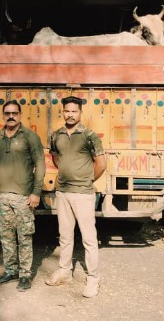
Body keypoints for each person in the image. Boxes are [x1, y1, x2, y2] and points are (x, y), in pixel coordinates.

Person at [45, 96, 106, 298]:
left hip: (83, 194)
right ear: (62, 112)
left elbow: (101, 164)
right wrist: (67, 174)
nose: (70, 115)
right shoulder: (57, 135)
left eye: (74, 111)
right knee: (65, 235)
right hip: (63, 191)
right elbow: (56, 158)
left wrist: (86, 180)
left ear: (80, 112)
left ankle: (93, 278)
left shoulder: (89, 135)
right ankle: (65, 271)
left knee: (89, 238)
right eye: (67, 111)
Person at [0, 100, 46, 291]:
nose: (11, 116)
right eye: (7, 113)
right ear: (3, 115)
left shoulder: (30, 137)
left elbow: (40, 165)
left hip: (23, 197)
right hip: (2, 197)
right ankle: (11, 270)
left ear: (20, 115)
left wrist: (36, 192)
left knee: (24, 237)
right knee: (6, 237)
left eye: (14, 113)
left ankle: (25, 275)